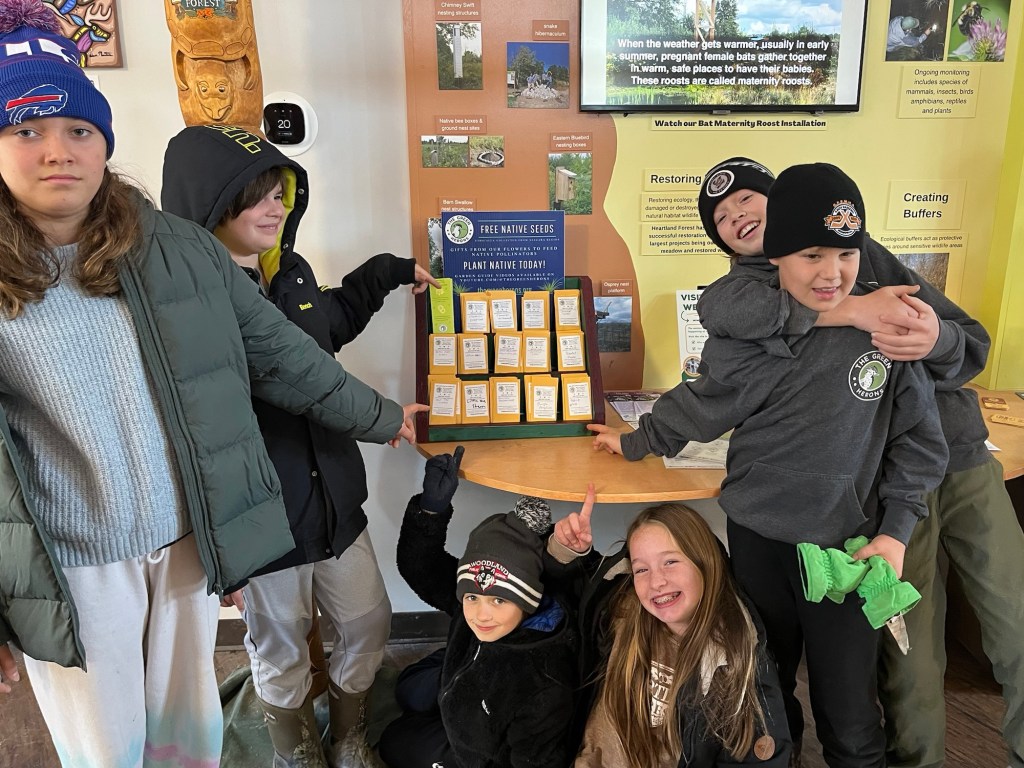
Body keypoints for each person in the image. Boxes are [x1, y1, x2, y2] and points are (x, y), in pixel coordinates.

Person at [0, 4, 425, 767]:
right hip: (71, 565)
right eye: (25, 130)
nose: (56, 151)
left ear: (104, 144)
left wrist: (382, 415)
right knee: (107, 748)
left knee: (186, 738)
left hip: (184, 544)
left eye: (78, 130)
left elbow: (286, 355)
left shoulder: (171, 249)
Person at [588, 163, 949, 768]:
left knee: (851, 713)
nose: (830, 273)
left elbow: (920, 444)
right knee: (763, 691)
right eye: (810, 254)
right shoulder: (751, 332)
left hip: (846, 551)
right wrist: (633, 441)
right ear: (774, 256)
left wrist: (895, 533)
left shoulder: (887, 332)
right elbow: (702, 405)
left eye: (845, 253)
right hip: (757, 543)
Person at [694, 156, 1024, 768]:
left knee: (1015, 621)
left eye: (749, 201)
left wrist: (935, 341)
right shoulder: (750, 289)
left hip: (959, 458)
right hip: (881, 484)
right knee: (908, 660)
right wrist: (849, 312)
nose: (738, 215)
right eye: (723, 216)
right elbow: (719, 313)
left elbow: (970, 342)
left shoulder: (861, 252)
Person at [159, 125, 438, 767]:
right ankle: (295, 747)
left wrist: (385, 274)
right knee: (279, 645)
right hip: (266, 522)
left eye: (279, 192)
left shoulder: (292, 274)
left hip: (337, 504)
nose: (275, 207)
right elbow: (283, 381)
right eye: (253, 195)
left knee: (369, 621)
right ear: (206, 204)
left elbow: (328, 323)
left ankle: (348, 734)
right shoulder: (191, 307)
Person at [547, 493, 792, 768]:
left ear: (705, 562)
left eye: (670, 562)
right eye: (641, 569)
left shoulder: (736, 658)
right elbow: (569, 602)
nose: (656, 582)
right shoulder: (621, 611)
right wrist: (565, 552)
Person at [377, 446, 578, 768]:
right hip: (462, 668)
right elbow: (421, 567)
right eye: (472, 598)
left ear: (527, 600)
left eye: (499, 600)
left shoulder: (543, 682)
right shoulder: (477, 600)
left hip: (481, 742)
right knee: (408, 691)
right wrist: (431, 508)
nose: (482, 614)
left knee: (394, 742)